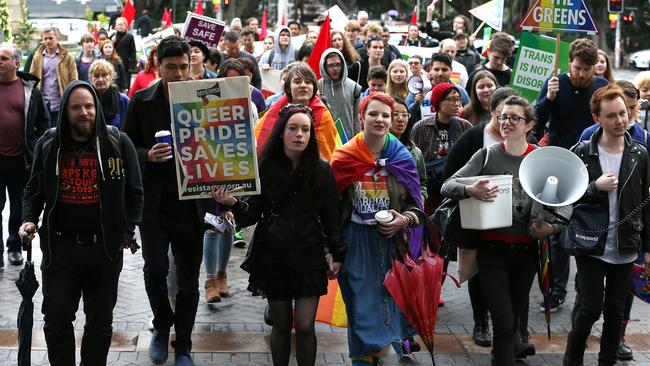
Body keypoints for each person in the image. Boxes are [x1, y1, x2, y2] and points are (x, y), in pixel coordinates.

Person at [20, 80, 143, 366]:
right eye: (76, 107)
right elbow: (33, 189)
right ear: (65, 111)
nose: (84, 112)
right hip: (60, 250)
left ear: (96, 108)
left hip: (104, 252)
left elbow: (135, 192)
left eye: (89, 106)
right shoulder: (49, 143)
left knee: (100, 324)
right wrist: (28, 219)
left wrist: (127, 230)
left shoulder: (117, 142)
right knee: (57, 320)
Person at [213, 104, 345, 366]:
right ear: (281, 133)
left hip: (309, 255)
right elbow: (252, 214)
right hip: (273, 255)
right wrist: (232, 203)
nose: (299, 134)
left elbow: (332, 217)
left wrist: (336, 252)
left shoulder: (321, 169)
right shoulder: (265, 167)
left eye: (305, 129)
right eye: (293, 128)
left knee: (306, 326)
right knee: (281, 325)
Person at [441, 95, 557, 366]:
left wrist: (551, 227)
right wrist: (470, 189)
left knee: (512, 323)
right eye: (504, 117)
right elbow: (449, 185)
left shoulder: (540, 159)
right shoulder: (487, 154)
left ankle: (499, 357)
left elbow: (559, 203)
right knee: (504, 323)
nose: (507, 122)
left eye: (515, 118)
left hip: (526, 252)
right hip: (491, 251)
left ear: (529, 125)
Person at [122, 35, 212, 366]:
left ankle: (184, 343)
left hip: (192, 205)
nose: (177, 74)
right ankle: (162, 325)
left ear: (192, 66)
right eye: (170, 67)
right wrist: (148, 155)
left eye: (183, 67)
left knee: (189, 280)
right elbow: (126, 146)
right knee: (155, 269)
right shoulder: (141, 101)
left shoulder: (205, 99)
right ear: (158, 66)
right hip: (154, 204)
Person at [331, 92, 426, 365]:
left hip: (391, 242)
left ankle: (379, 353)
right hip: (355, 241)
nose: (380, 119)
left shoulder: (402, 157)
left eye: (386, 115)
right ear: (361, 118)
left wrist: (404, 220)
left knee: (389, 301)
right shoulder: (344, 156)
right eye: (373, 114)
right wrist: (330, 248)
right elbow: (329, 207)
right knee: (361, 306)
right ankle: (363, 360)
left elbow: (417, 204)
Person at [564, 84, 650, 366]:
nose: (620, 121)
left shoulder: (640, 154)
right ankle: (572, 359)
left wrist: (647, 248)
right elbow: (566, 198)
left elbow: (646, 204)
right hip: (590, 242)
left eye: (623, 113)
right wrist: (594, 187)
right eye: (611, 115)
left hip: (625, 244)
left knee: (615, 311)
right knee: (589, 308)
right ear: (596, 118)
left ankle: (607, 361)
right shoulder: (581, 151)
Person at [534, 38, 609, 313]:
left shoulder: (601, 87)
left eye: (587, 70)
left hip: (592, 168)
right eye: (577, 68)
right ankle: (556, 290)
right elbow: (536, 122)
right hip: (558, 165)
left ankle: (584, 293)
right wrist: (547, 99)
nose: (581, 75)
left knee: (588, 229)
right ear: (569, 64)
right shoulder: (554, 82)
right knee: (556, 232)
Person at [0, 43, 49, 267]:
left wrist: (36, 149)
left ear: (16, 63)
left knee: (19, 207)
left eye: (4, 58)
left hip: (22, 160)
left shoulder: (30, 90)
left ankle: (15, 247)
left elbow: (44, 124)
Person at [255, 63, 340, 161]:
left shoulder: (323, 115)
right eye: (297, 81)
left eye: (308, 82)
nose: (303, 85)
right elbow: (261, 142)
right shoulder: (276, 110)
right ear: (288, 88)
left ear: (314, 87)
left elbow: (324, 154)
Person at [411, 82, 472, 213]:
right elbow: (412, 160)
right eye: (451, 99)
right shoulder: (421, 127)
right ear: (438, 102)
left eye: (458, 99)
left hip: (456, 188)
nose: (457, 104)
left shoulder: (465, 126)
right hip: (429, 190)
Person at [30, 27, 78, 127]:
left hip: (61, 101)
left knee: (61, 130)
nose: (48, 41)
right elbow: (32, 78)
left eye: (50, 38)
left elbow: (74, 78)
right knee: (45, 132)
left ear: (57, 38)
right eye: (45, 38)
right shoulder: (37, 57)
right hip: (43, 101)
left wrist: (71, 97)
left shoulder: (67, 57)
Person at [580, 80, 649, 148]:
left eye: (632, 107)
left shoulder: (644, 138)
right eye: (624, 108)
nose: (629, 113)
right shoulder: (589, 135)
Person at [408, 53, 469, 124]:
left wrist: (461, 113)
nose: (440, 73)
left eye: (444, 70)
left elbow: (469, 115)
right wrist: (416, 104)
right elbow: (407, 115)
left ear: (451, 70)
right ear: (430, 69)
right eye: (436, 69)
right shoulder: (419, 89)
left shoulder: (460, 91)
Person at [318, 48, 362, 141]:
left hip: (349, 140)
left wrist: (358, 140)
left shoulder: (354, 88)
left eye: (338, 65)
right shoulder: (318, 87)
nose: (335, 69)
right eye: (330, 65)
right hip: (325, 139)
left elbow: (358, 118)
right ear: (324, 66)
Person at [390, 97, 427, 202]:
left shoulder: (415, 152)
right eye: (395, 114)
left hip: (408, 210)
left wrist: (421, 198)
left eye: (405, 115)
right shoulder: (376, 149)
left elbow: (422, 184)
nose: (400, 119)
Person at [89, 60, 129, 129]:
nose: (100, 79)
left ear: (111, 77)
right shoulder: (87, 100)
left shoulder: (123, 100)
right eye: (96, 76)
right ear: (91, 79)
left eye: (104, 75)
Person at [111, 17, 137, 85]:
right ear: (115, 26)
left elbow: (133, 51)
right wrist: (112, 42)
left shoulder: (129, 36)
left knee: (126, 83)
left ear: (125, 25)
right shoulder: (113, 36)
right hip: (115, 63)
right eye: (118, 24)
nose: (120, 26)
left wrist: (132, 66)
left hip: (126, 64)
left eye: (121, 24)